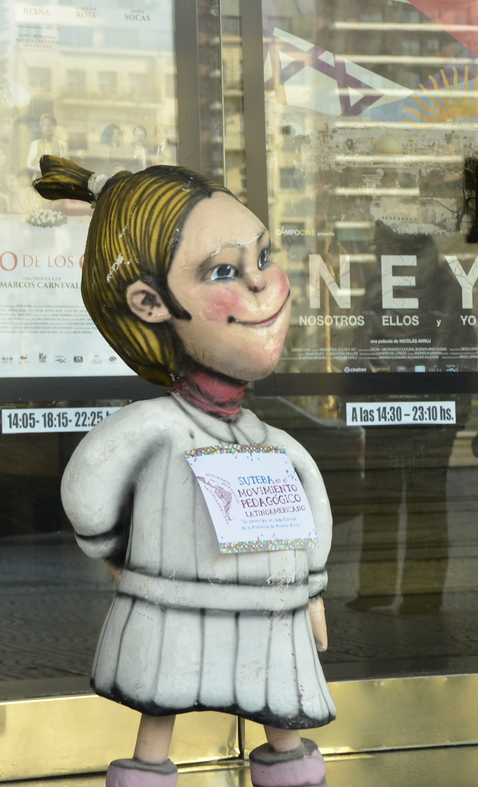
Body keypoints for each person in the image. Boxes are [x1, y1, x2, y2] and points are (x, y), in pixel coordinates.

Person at [33, 158, 333, 787]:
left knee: (280, 702)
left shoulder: (268, 440)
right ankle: (151, 772)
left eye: (264, 257)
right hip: (174, 610)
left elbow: (309, 510)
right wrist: (123, 562)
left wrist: (310, 591)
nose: (262, 285)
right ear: (149, 302)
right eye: (223, 270)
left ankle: (287, 768)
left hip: (271, 610)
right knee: (161, 700)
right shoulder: (157, 428)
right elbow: (89, 492)